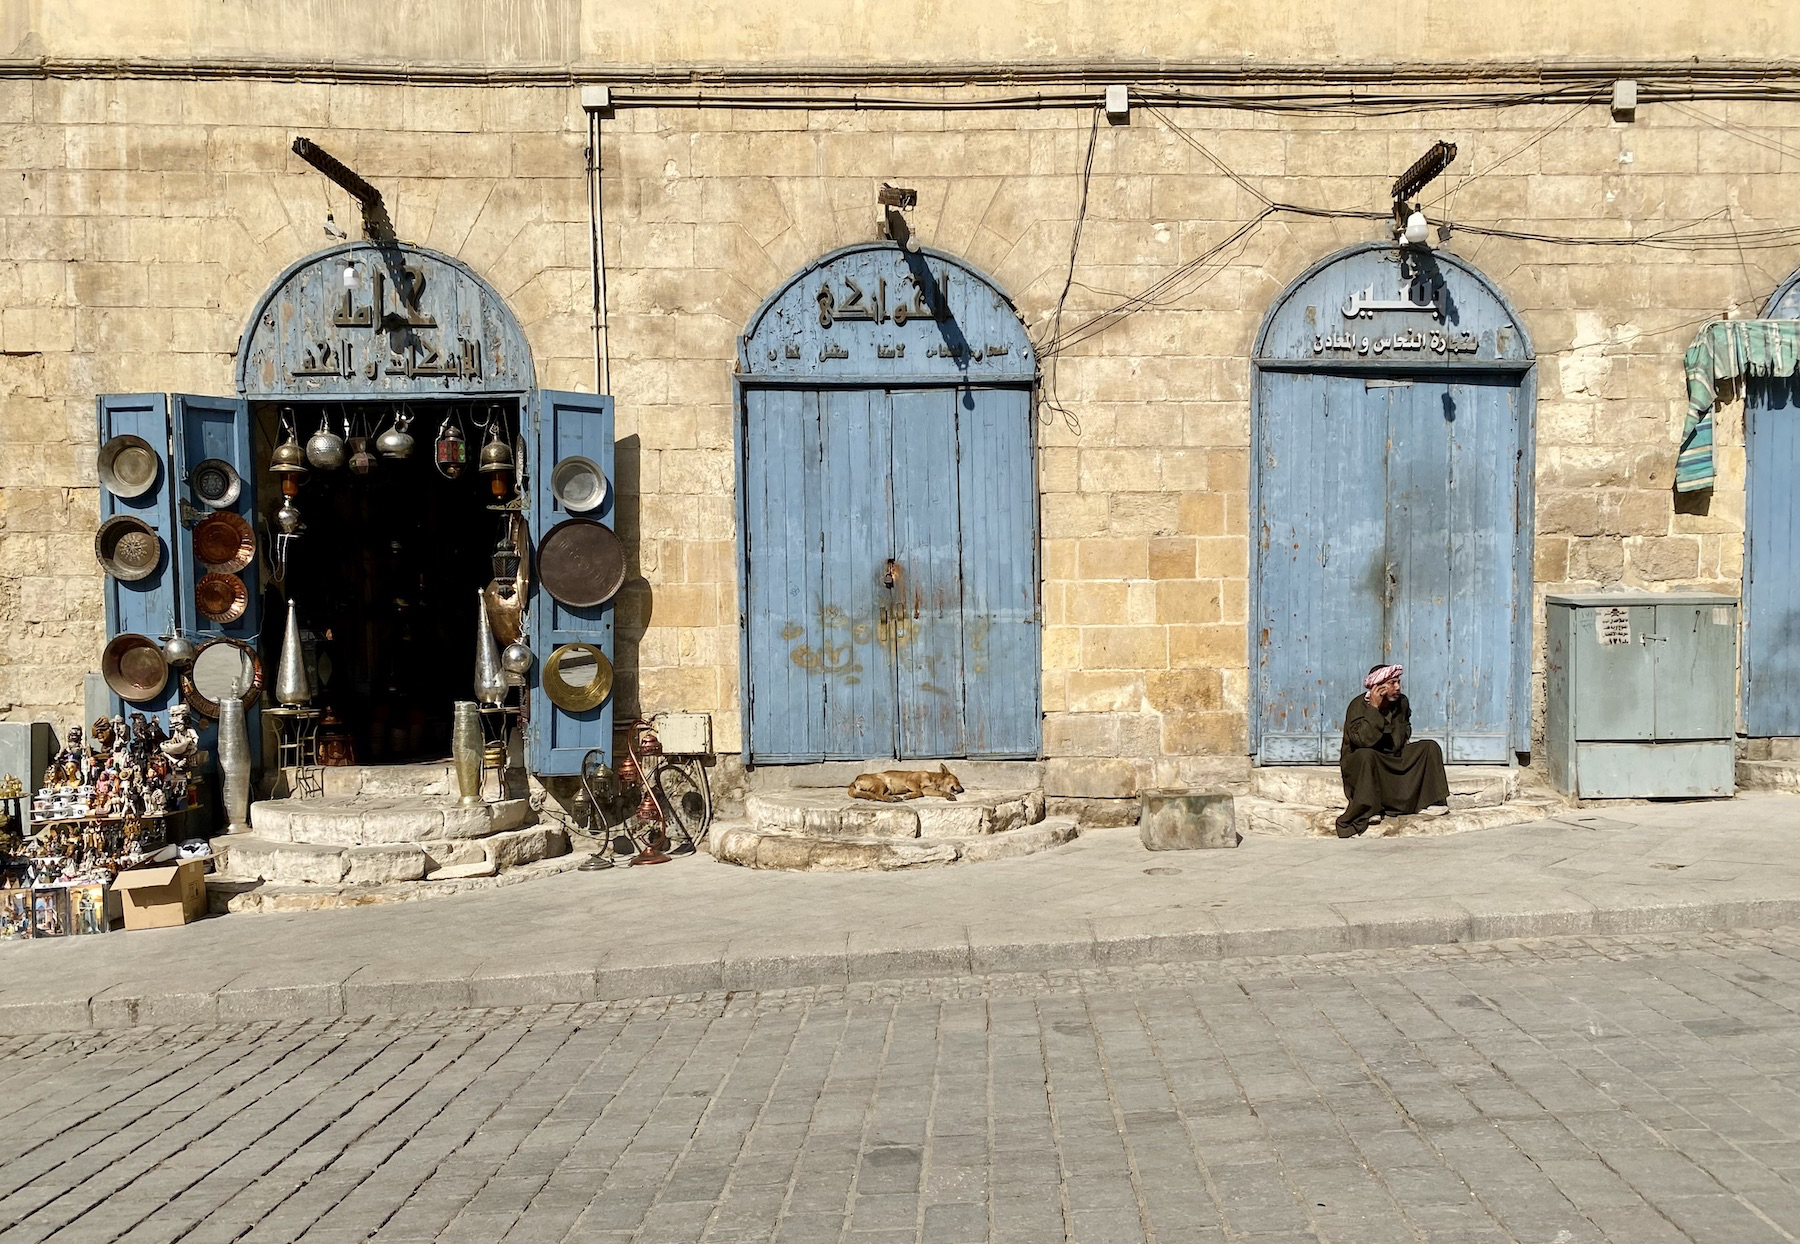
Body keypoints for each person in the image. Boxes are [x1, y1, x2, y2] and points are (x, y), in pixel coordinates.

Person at [1336, 663, 1450, 838]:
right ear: (1378, 687)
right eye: (1392, 683)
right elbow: (1363, 741)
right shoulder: (1358, 706)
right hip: (1365, 762)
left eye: (1398, 682)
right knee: (1367, 755)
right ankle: (1370, 806)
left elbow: (1404, 729)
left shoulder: (1401, 702)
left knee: (1429, 747)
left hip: (1392, 758)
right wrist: (1374, 708)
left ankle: (1432, 800)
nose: (1397, 687)